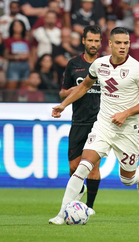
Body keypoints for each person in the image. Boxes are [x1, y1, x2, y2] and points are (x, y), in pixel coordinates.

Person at [49, 27, 139, 225]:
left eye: (126, 43)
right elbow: (85, 86)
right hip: (103, 125)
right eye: (119, 43)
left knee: (127, 179)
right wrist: (63, 105)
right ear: (111, 44)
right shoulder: (99, 64)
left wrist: (126, 113)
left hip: (128, 130)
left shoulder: (138, 69)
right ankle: (61, 214)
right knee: (82, 167)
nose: (123, 46)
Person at [53, 25, 103, 217]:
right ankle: (80, 190)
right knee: (74, 167)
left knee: (92, 166)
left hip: (99, 123)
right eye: (90, 40)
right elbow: (62, 92)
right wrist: (75, 90)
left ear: (100, 42)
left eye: (96, 40)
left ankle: (89, 207)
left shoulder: (106, 64)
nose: (93, 44)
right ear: (83, 41)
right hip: (78, 120)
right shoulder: (73, 64)